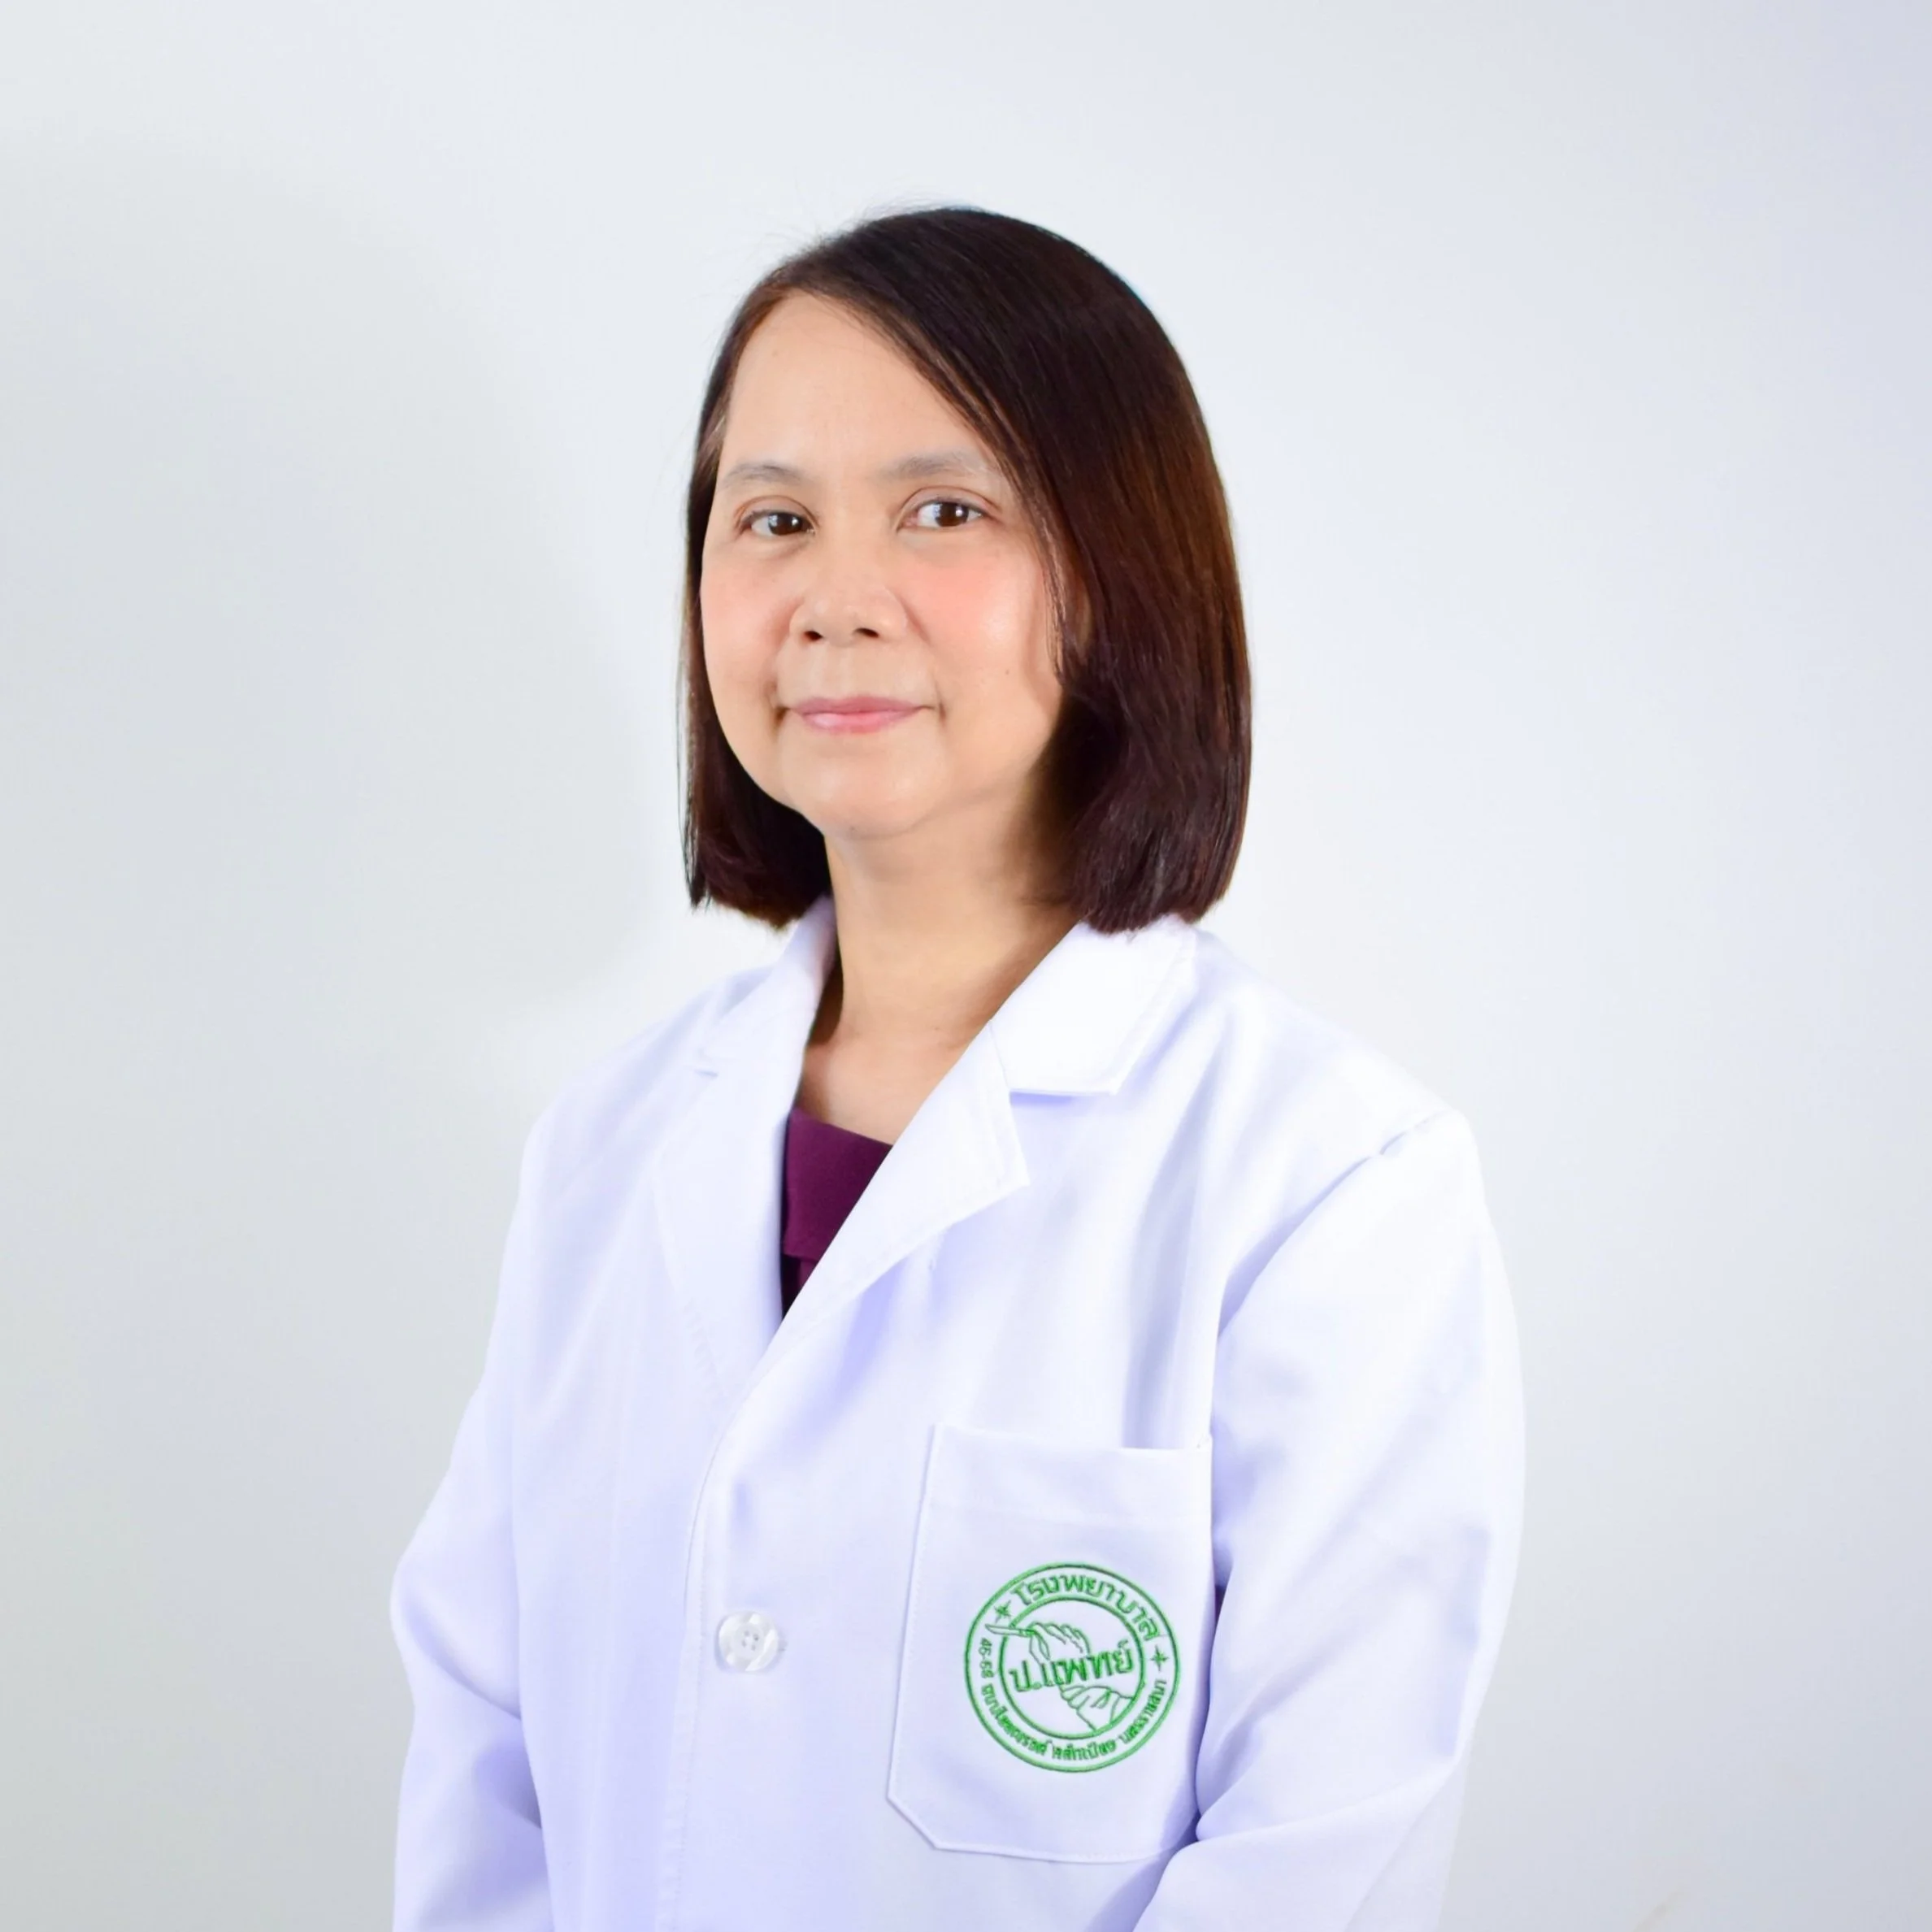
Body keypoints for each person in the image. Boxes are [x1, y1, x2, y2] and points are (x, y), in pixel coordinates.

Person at [389, 206, 1523, 1932]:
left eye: (944, 511)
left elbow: (1321, 1864)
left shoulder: (1327, 1185)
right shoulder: (610, 1152)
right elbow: (488, 1772)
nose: (837, 601)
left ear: (1116, 569)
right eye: (772, 519)